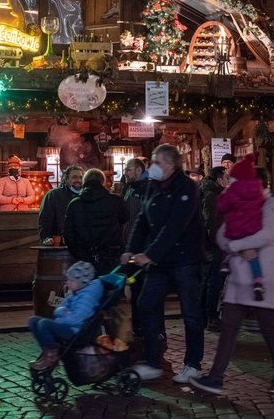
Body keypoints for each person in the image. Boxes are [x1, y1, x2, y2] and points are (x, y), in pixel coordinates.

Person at [189, 166, 274, 395]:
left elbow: (268, 234)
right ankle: (216, 377)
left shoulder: (270, 205)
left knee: (268, 326)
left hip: (264, 275)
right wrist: (238, 247)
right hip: (239, 276)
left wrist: (238, 245)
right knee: (229, 325)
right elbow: (222, 236)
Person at [121, 144, 204, 384]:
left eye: (156, 162)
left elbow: (176, 226)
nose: (152, 167)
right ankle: (152, 359)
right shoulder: (152, 187)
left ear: (169, 165)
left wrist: (151, 253)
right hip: (160, 261)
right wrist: (131, 250)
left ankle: (192, 363)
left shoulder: (187, 187)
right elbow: (141, 222)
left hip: (184, 260)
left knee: (191, 313)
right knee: (146, 303)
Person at [28, 261, 104, 371]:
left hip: (76, 331)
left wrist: (60, 318)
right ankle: (47, 353)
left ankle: (52, 357)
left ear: (81, 282)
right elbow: (59, 309)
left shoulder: (87, 298)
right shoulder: (75, 292)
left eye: (71, 281)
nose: (67, 283)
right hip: (68, 325)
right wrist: (63, 312)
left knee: (44, 324)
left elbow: (76, 319)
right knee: (33, 321)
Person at [217, 154, 266, 300]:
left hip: (235, 228)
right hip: (252, 229)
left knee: (230, 246)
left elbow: (222, 206)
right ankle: (258, 281)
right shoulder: (257, 190)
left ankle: (225, 263)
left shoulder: (232, 190)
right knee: (254, 258)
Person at [64, 168, 128, 275]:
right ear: (103, 182)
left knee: (88, 289)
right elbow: (125, 219)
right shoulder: (115, 201)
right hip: (112, 256)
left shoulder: (75, 204)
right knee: (111, 289)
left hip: (85, 257)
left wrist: (79, 254)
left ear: (84, 182)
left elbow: (68, 233)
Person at [122, 158, 148, 338]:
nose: (125, 173)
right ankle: (138, 326)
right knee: (135, 289)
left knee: (143, 290)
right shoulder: (129, 188)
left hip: (143, 250)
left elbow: (145, 221)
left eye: (128, 169)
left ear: (138, 170)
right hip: (131, 247)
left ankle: (147, 328)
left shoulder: (146, 188)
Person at [200, 166, 228, 331]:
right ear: (218, 179)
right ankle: (210, 316)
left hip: (209, 244)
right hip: (212, 246)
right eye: (225, 177)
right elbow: (210, 220)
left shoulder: (211, 192)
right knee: (213, 282)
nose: (227, 180)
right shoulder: (211, 195)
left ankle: (205, 315)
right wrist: (217, 240)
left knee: (209, 281)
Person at [38, 165, 83, 244]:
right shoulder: (54, 195)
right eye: (74, 177)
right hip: (59, 242)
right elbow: (45, 219)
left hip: (82, 243)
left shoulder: (86, 195)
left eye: (80, 177)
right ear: (66, 179)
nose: (78, 180)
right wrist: (46, 237)